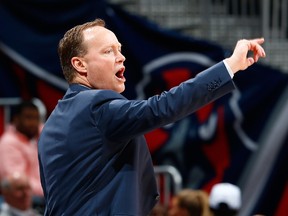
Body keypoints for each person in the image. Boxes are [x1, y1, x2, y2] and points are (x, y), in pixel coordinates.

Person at [37, 18, 266, 215]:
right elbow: (162, 107)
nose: (121, 57)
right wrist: (230, 66)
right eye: (108, 51)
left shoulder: (51, 125)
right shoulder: (95, 106)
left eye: (120, 49)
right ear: (80, 65)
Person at [0, 100, 43, 197]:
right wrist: (49, 190)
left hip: (46, 195)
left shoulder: (38, 134)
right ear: (16, 119)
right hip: (25, 201)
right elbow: (19, 184)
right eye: (28, 118)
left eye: (37, 118)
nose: (33, 123)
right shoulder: (8, 143)